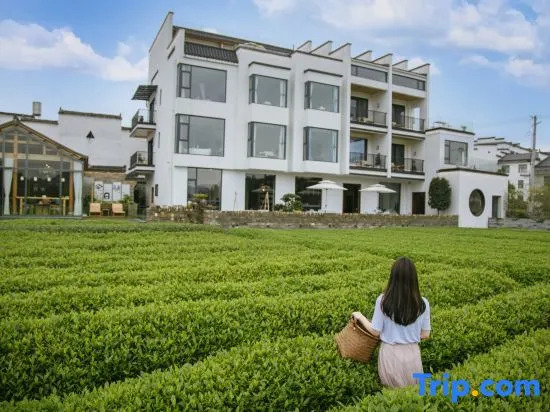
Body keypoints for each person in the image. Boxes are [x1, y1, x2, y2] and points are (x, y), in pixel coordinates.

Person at [352, 256, 431, 388]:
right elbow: (425, 334)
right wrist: (408, 334)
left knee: (391, 395)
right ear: (414, 278)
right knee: (413, 394)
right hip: (413, 355)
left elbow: (375, 331)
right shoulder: (423, 303)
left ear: (393, 277)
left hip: (390, 354)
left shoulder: (383, 300)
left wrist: (360, 316)